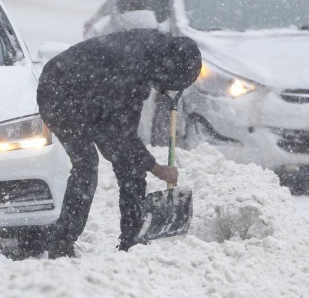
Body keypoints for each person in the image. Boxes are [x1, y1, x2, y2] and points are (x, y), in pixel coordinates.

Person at [35, 28, 202, 258]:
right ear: (166, 69)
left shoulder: (155, 53)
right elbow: (123, 135)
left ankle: (131, 240)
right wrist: (157, 169)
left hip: (97, 94)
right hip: (61, 93)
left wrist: (139, 161)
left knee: (129, 163)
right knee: (86, 165)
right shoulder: (132, 71)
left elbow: (123, 136)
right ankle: (61, 244)